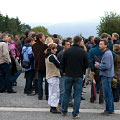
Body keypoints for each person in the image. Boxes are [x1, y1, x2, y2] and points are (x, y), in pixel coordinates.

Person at [60, 36, 88, 119]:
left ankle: (64, 111)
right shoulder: (83, 52)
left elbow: (62, 63)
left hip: (68, 75)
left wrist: (64, 71)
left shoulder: (67, 51)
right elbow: (86, 65)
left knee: (66, 93)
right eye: (82, 41)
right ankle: (75, 113)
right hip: (78, 75)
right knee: (77, 95)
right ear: (79, 42)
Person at [95, 40, 114, 116]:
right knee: (109, 93)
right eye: (99, 44)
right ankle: (110, 109)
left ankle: (108, 110)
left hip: (106, 75)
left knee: (107, 94)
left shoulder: (107, 54)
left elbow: (106, 66)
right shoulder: (108, 53)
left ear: (106, 45)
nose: (99, 45)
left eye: (101, 44)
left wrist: (98, 65)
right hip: (108, 75)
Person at [45, 43, 61, 114]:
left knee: (51, 92)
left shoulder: (47, 56)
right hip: (53, 75)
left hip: (49, 76)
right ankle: (54, 107)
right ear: (52, 49)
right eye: (55, 49)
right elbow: (59, 65)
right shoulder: (52, 56)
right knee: (55, 92)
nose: (56, 50)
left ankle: (52, 107)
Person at [32, 32, 48, 100]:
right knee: (47, 81)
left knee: (39, 81)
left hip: (37, 64)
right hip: (44, 65)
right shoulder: (45, 46)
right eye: (43, 36)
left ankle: (40, 95)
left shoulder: (33, 46)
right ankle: (47, 95)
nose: (44, 38)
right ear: (40, 38)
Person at [89, 37, 103, 104]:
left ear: (94, 42)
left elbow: (90, 61)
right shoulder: (103, 50)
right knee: (102, 85)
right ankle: (101, 99)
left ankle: (92, 98)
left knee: (93, 84)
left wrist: (92, 69)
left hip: (95, 69)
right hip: (103, 69)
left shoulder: (92, 50)